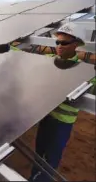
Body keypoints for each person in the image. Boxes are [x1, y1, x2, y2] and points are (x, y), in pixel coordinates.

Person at [26, 23, 96, 182]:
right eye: (57, 42)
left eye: (64, 43)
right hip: (46, 116)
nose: (59, 46)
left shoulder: (87, 69)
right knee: (39, 154)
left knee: (49, 160)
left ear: (76, 44)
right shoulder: (53, 61)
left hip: (62, 123)